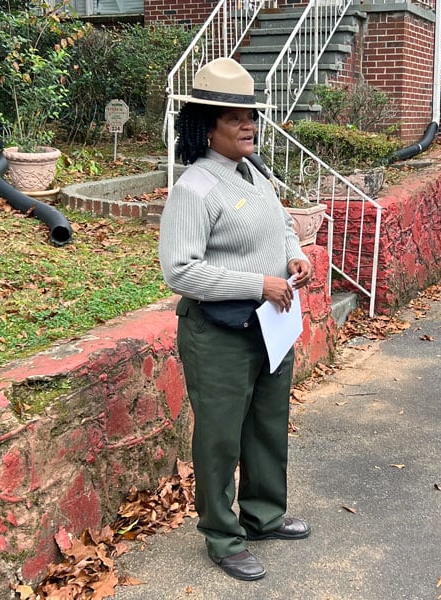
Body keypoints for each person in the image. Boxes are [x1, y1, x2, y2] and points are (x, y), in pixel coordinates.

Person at [158, 57, 314, 581]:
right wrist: (257, 284)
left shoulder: (254, 174)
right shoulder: (195, 189)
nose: (249, 126)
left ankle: (264, 514)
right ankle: (224, 537)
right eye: (234, 118)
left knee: (268, 425)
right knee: (221, 437)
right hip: (218, 333)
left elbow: (283, 225)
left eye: (251, 116)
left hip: (269, 326)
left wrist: (294, 255)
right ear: (207, 126)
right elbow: (180, 272)